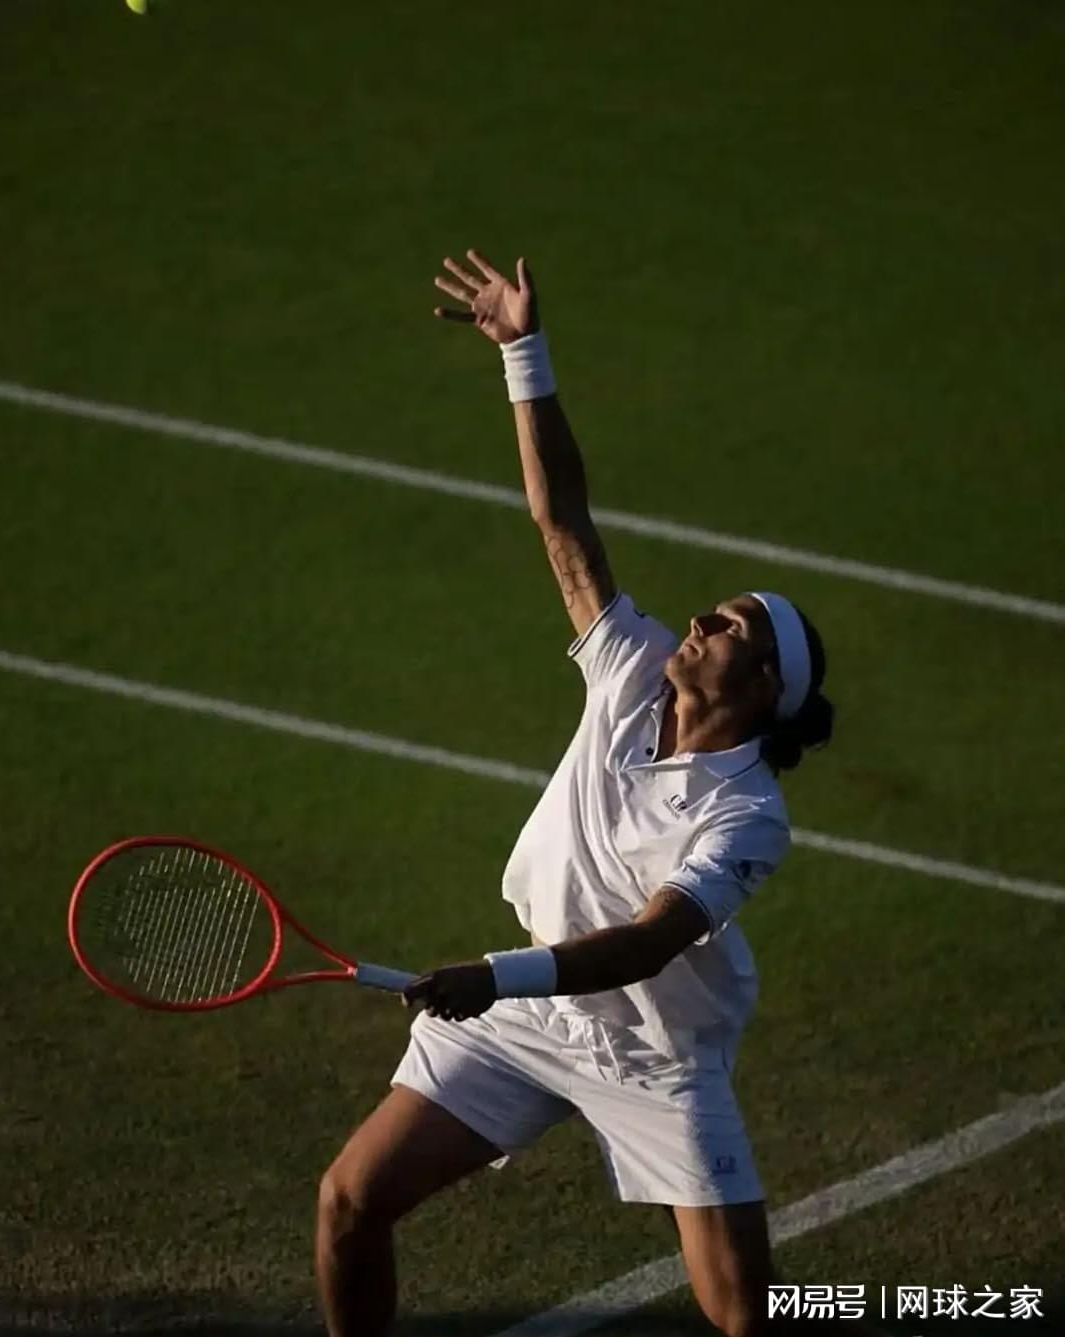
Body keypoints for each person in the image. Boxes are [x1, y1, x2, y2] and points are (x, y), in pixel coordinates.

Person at [315, 250, 834, 1337]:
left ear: (762, 687)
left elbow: (646, 944)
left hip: (653, 1054)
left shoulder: (746, 815)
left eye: (730, 625)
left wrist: (488, 974)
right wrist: (523, 354)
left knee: (744, 1314)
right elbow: (564, 525)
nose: (702, 618)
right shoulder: (631, 665)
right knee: (350, 1200)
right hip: (531, 1015)